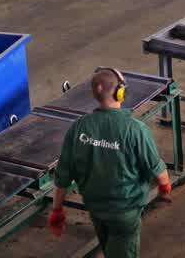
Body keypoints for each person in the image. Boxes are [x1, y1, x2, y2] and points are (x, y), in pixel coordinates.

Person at [49, 69, 171, 258]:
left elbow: (62, 176)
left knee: (109, 248)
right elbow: (158, 172)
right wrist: (164, 187)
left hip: (95, 208)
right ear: (120, 92)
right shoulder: (135, 129)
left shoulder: (79, 126)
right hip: (125, 212)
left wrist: (57, 209)